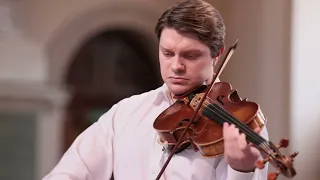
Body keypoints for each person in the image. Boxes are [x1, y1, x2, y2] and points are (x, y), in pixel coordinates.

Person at [42, 0, 269, 179]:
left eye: (190, 55)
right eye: (167, 53)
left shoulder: (239, 123)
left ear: (217, 55)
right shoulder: (125, 113)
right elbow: (71, 171)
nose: (176, 66)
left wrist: (242, 171)